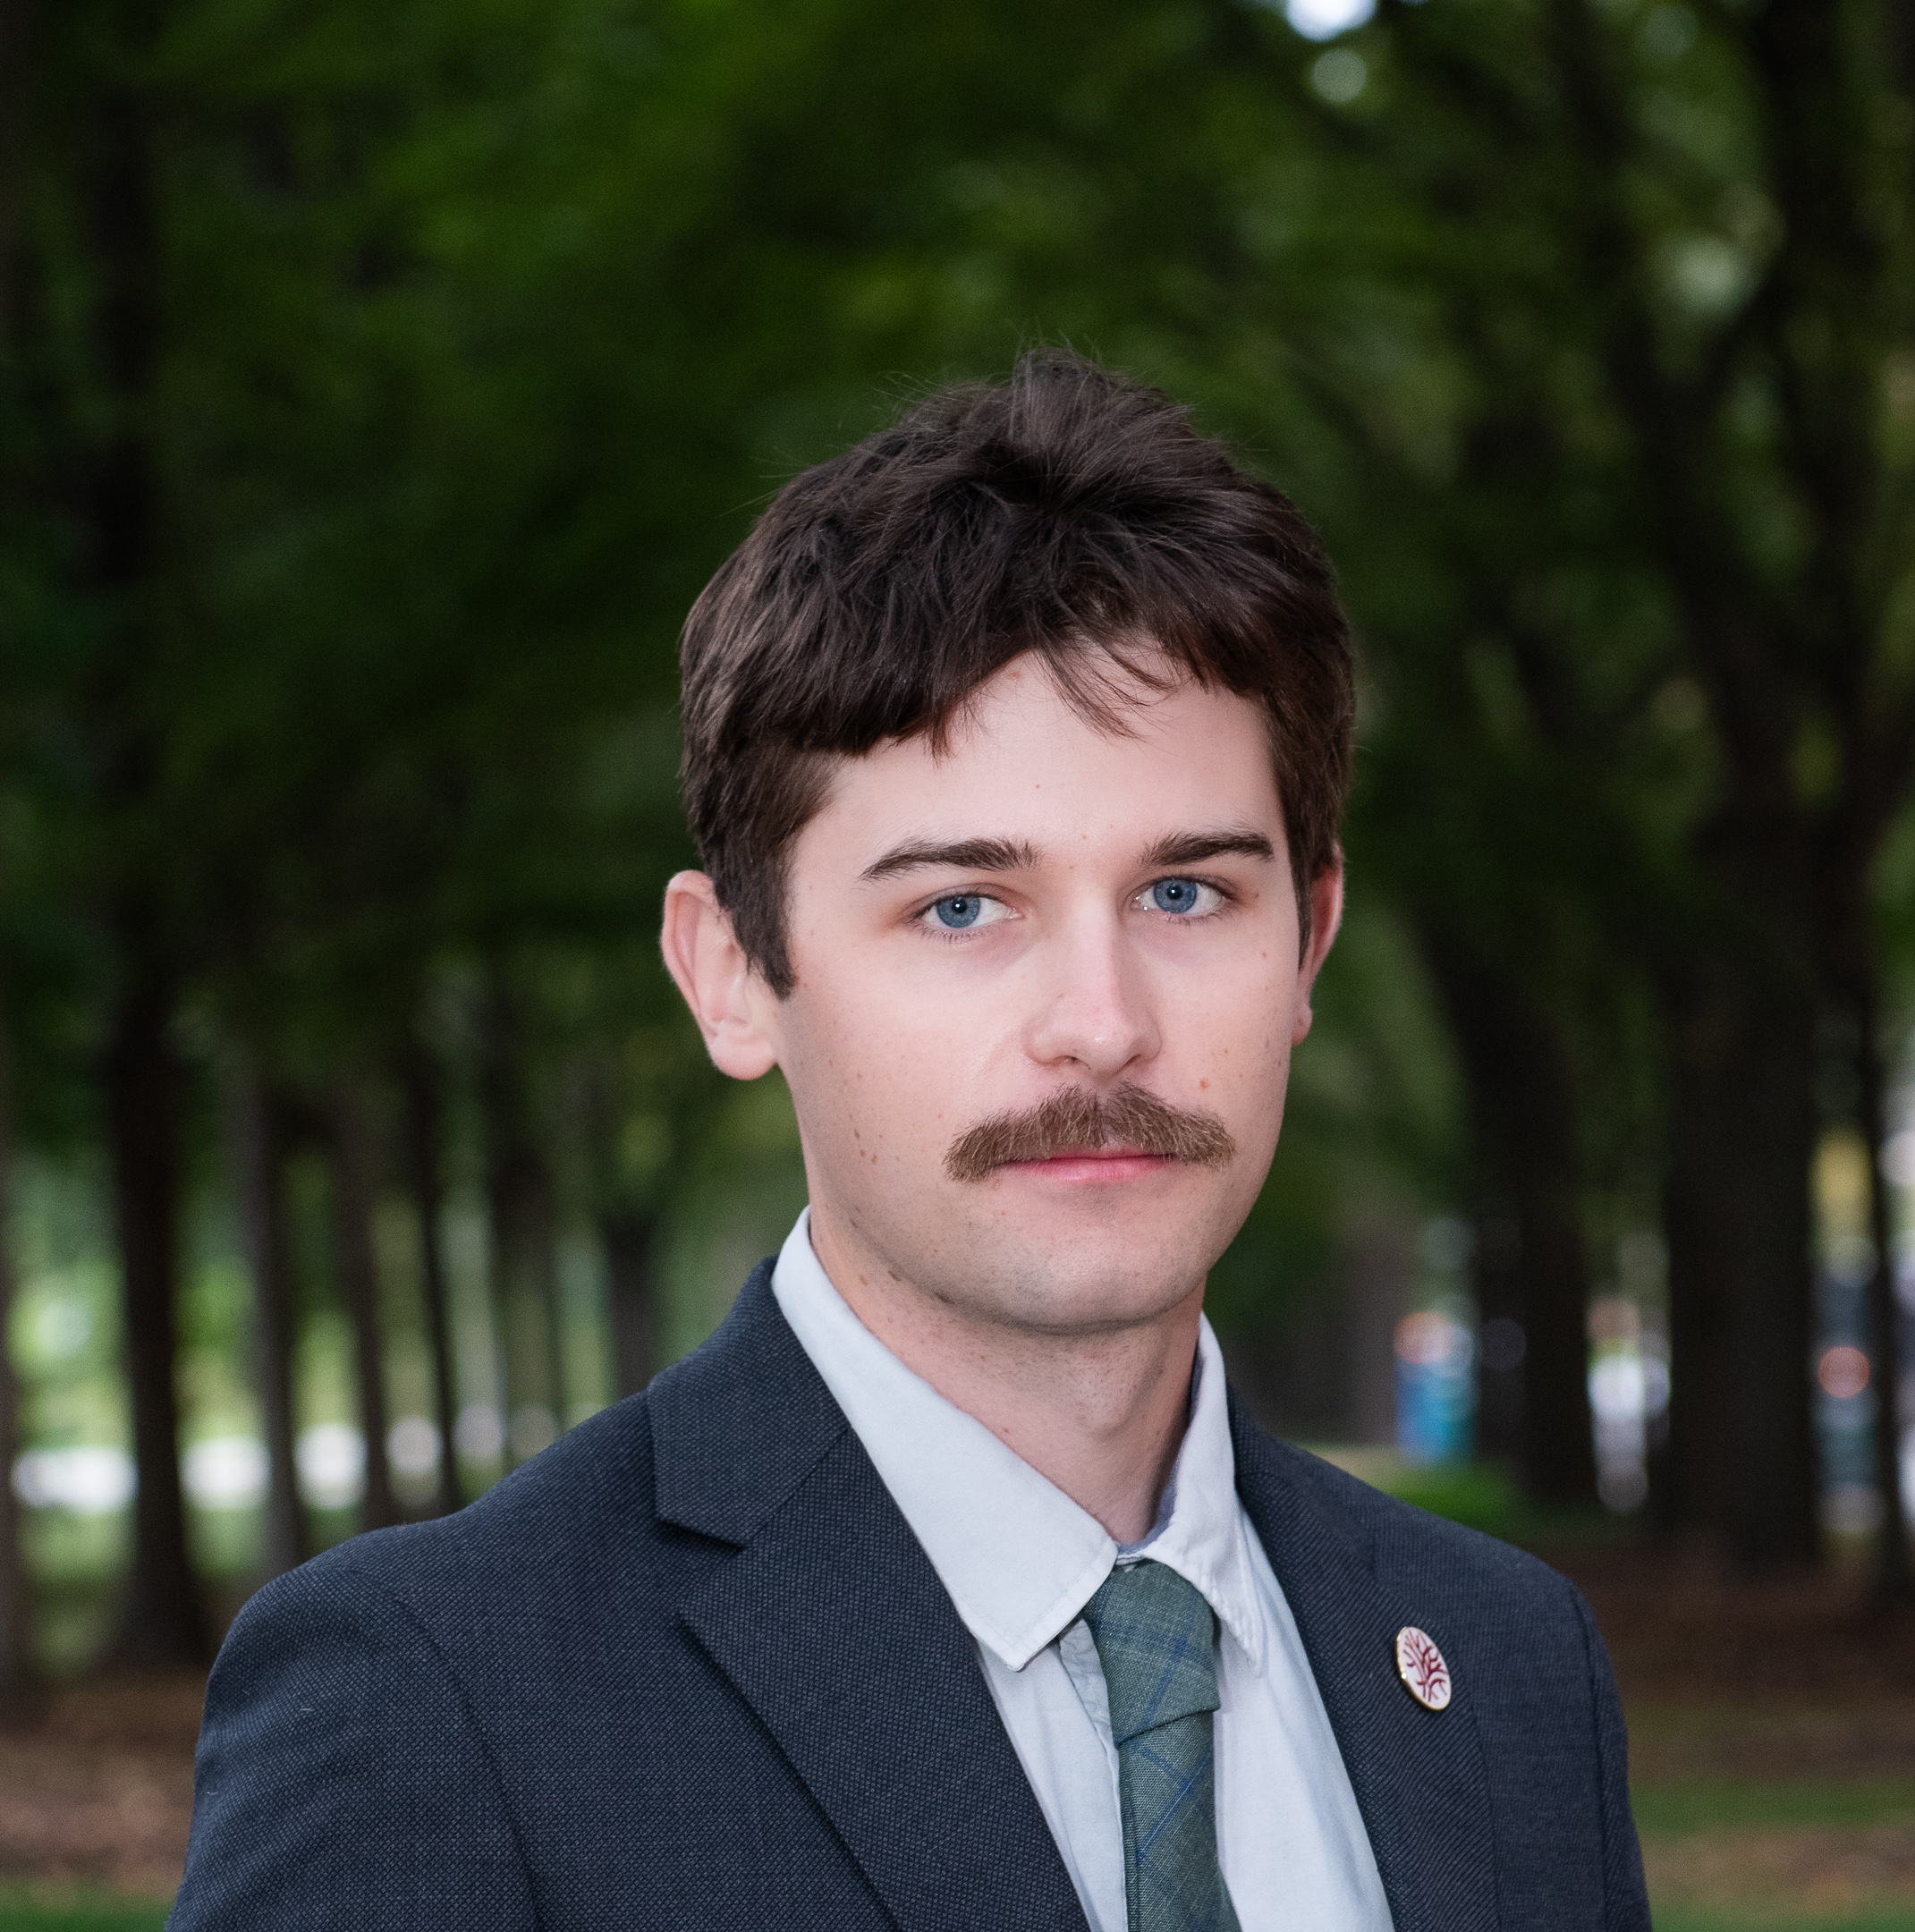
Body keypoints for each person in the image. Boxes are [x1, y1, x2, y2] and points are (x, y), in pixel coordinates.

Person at [171, 353, 1649, 1932]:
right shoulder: (431, 1700)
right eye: (961, 906)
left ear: (1310, 939)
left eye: (1186, 893)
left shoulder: (1504, 1664)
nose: (1102, 1021)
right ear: (730, 975)